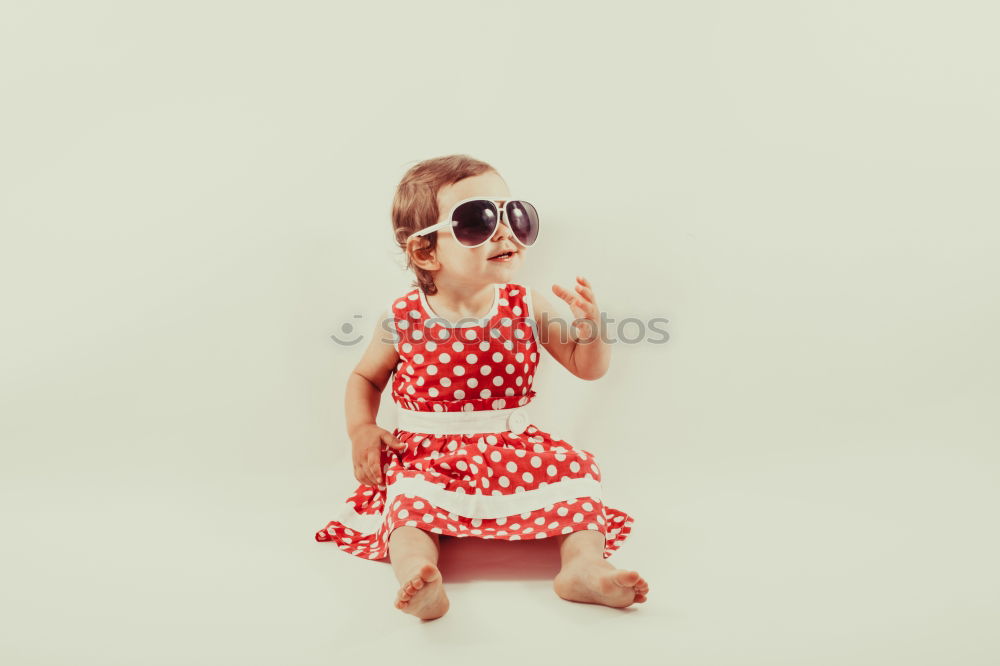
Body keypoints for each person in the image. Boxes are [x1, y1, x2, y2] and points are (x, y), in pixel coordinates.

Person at [315, 154, 648, 619]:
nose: (505, 232)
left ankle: (584, 567)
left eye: (514, 215)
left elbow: (585, 366)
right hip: (428, 455)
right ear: (426, 252)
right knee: (408, 503)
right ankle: (419, 574)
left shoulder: (525, 304)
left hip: (515, 448)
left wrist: (592, 329)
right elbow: (365, 377)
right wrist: (361, 430)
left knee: (576, 474)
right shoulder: (404, 317)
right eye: (476, 221)